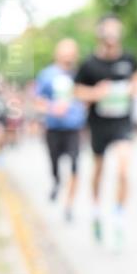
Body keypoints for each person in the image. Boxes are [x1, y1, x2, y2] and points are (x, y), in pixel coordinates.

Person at [74, 15, 137, 250]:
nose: (112, 36)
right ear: (100, 34)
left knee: (123, 169)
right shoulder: (89, 64)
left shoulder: (128, 59)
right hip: (99, 123)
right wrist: (96, 94)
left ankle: (119, 216)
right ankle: (95, 210)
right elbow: (77, 91)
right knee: (99, 169)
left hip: (122, 122)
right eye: (108, 32)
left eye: (116, 31)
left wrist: (133, 88)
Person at [35, 39, 86, 223]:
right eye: (65, 52)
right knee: (55, 165)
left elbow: (87, 95)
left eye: (71, 52)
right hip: (54, 128)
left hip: (74, 128)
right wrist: (51, 108)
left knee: (74, 167)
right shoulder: (47, 75)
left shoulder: (80, 74)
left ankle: (69, 206)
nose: (68, 56)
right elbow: (37, 101)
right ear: (57, 54)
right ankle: (56, 181)